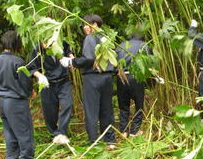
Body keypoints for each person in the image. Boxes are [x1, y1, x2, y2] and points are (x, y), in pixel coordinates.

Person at [60, 14, 116, 146]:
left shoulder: (90, 38)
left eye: (87, 24)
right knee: (107, 109)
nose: (85, 27)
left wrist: (72, 62)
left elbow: (89, 58)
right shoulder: (106, 38)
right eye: (84, 25)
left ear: (95, 25)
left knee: (91, 111)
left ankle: (94, 141)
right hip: (107, 77)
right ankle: (110, 140)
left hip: (93, 77)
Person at [0, 31, 34, 159]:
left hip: (2, 100)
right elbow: (25, 82)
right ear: (16, 43)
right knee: (24, 130)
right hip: (15, 100)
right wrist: (29, 92)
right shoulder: (18, 61)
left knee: (9, 130)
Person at [28, 41, 74, 144]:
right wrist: (40, 76)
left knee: (67, 105)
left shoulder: (61, 43)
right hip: (47, 83)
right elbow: (31, 67)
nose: (47, 44)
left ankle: (61, 133)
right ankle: (55, 133)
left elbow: (69, 52)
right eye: (44, 42)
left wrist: (71, 59)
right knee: (50, 112)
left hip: (63, 81)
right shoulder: (37, 50)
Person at [115, 33, 156, 138]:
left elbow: (114, 63)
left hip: (121, 76)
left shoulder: (121, 45)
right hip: (136, 77)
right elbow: (150, 64)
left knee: (123, 106)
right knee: (139, 106)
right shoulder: (144, 46)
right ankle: (134, 131)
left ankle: (124, 131)